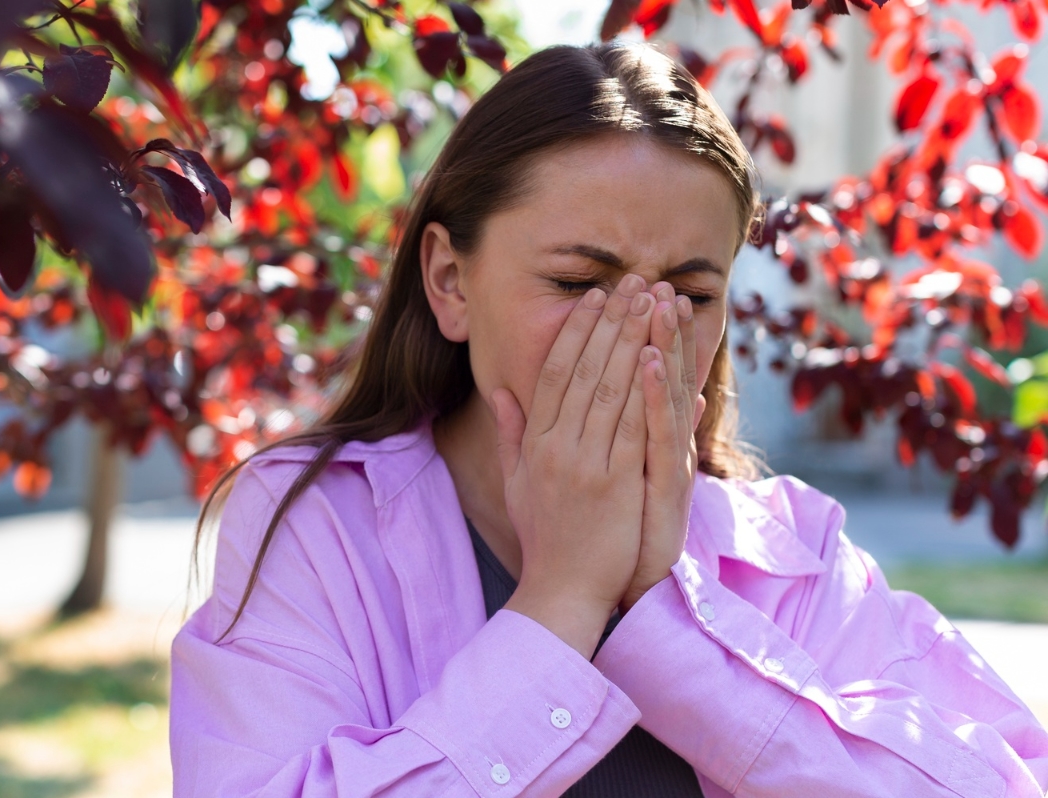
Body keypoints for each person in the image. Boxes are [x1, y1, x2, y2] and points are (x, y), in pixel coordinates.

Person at [168, 42, 1048, 797]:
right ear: (449, 280)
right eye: (578, 284)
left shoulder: (794, 554)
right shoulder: (313, 524)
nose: (643, 336)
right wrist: (560, 604)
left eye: (692, 293)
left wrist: (667, 623)